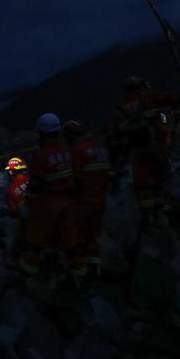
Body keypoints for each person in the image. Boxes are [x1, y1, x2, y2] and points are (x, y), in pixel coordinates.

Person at [107, 77, 180, 218]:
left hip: (139, 149)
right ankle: (165, 208)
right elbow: (170, 98)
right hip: (158, 145)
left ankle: (147, 213)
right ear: (140, 87)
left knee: (143, 180)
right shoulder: (148, 97)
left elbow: (116, 129)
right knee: (163, 176)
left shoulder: (121, 106)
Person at [15, 113, 77, 283]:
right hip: (68, 204)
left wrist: (26, 204)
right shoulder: (68, 151)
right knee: (61, 243)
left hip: (47, 206)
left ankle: (26, 276)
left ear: (41, 134)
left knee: (34, 243)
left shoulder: (40, 156)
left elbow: (35, 185)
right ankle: (63, 277)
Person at [63, 120, 111, 285]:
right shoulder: (100, 150)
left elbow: (74, 180)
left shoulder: (77, 151)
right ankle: (94, 271)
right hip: (100, 203)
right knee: (92, 239)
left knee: (76, 240)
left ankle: (78, 277)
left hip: (83, 204)